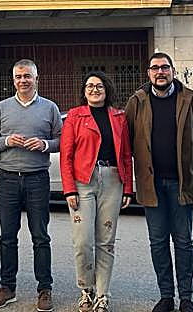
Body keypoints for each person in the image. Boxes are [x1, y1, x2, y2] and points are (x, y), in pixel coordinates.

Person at [125, 52, 193, 312]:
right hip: (152, 186)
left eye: (165, 67)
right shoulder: (137, 102)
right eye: (155, 68)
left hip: (182, 184)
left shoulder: (189, 99)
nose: (160, 72)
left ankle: (186, 297)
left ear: (173, 70)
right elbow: (124, 143)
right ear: (148, 73)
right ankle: (166, 296)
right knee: (158, 243)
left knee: (183, 242)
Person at [0, 59, 62, 312]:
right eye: (18, 76)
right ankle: (7, 287)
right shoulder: (2, 107)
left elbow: (61, 140)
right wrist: (6, 140)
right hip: (7, 178)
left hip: (37, 179)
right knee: (7, 237)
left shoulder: (50, 108)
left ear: (36, 78)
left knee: (40, 237)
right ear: (13, 80)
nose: (23, 80)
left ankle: (45, 289)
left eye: (27, 76)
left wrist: (45, 145)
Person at [60, 71, 133, 312]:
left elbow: (126, 154)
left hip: (112, 180)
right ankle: (86, 289)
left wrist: (128, 188)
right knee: (83, 242)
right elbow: (66, 155)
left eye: (99, 85)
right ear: (84, 91)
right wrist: (69, 189)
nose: (94, 89)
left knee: (106, 242)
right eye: (90, 86)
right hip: (83, 181)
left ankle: (102, 294)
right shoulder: (75, 116)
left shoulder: (118, 116)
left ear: (106, 89)